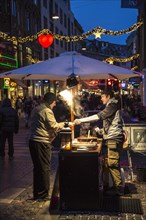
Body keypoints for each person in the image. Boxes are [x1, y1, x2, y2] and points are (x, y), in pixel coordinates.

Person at [74, 89, 124, 196]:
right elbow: (111, 123)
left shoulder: (112, 105)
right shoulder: (112, 105)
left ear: (108, 96)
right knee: (111, 162)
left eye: (102, 97)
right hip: (112, 136)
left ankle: (119, 189)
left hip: (113, 138)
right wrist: (102, 131)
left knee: (112, 163)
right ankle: (113, 186)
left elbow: (99, 116)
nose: (101, 99)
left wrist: (81, 120)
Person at [28, 92, 71, 201]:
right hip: (42, 141)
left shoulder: (36, 108)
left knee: (37, 168)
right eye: (54, 103)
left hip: (33, 141)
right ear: (51, 101)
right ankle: (43, 194)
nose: (55, 105)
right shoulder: (46, 110)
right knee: (44, 168)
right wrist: (66, 124)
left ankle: (37, 192)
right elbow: (54, 126)